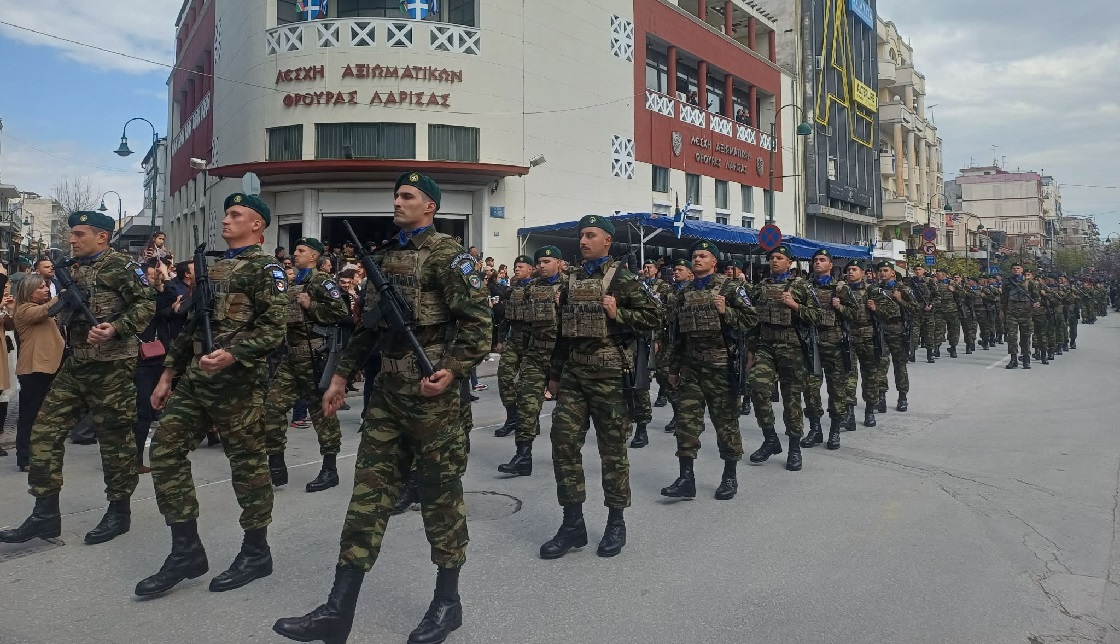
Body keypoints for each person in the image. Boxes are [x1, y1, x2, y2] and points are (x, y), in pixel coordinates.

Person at [273, 172, 490, 644]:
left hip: (434, 403)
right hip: (388, 396)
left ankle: (447, 603)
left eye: (407, 195)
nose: (397, 201)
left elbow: (479, 326)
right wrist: (339, 377)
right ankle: (337, 611)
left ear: (430, 206)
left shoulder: (449, 257)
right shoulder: (385, 259)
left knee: (441, 500)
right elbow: (367, 329)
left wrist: (452, 370)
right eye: (395, 195)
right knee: (367, 500)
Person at [136, 193, 287, 597]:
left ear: (256, 224)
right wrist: (168, 374)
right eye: (226, 213)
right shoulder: (214, 269)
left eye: (236, 214)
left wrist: (234, 354)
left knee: (248, 466)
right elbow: (191, 325)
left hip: (239, 385)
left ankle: (256, 551)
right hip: (196, 382)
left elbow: (275, 330)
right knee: (165, 449)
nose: (226, 220)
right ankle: (186, 550)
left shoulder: (267, 269)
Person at [0, 211, 154, 545]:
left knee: (115, 442)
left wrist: (115, 328)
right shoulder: (72, 269)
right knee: (44, 431)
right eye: (72, 234)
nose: (72, 240)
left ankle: (119, 512)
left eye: (80, 234)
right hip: (76, 363)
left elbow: (146, 305)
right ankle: (45, 514)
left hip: (112, 366)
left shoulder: (123, 267)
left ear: (102, 237)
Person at [538, 215, 660, 560]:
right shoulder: (571, 279)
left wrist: (619, 314)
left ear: (607, 240)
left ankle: (615, 522)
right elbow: (563, 330)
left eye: (591, 235)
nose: (583, 241)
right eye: (581, 235)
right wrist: (555, 374)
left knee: (612, 450)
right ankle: (572, 524)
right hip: (575, 374)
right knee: (563, 444)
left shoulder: (624, 278)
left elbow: (655, 317)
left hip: (610, 376)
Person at [660, 240, 755, 500]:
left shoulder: (730, 287)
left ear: (714, 261)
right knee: (686, 423)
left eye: (703, 255)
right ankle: (686, 478)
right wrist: (673, 367)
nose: (697, 259)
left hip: (721, 366)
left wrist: (727, 312)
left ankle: (729, 476)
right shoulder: (685, 292)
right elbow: (678, 335)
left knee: (725, 423)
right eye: (695, 256)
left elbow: (751, 319)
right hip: (691, 367)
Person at [262, 237, 348, 493]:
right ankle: (276, 463)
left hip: (314, 358)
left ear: (314, 256)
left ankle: (330, 469)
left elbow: (341, 313)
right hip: (290, 358)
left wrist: (312, 305)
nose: (295, 254)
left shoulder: (321, 282)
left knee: (322, 414)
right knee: (272, 407)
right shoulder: (291, 283)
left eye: (301, 250)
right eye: (295, 250)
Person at [746, 245, 821, 472]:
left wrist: (795, 306)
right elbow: (753, 321)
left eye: (779, 258)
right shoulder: (761, 287)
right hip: (766, 347)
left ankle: (794, 448)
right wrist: (750, 351)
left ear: (789, 263)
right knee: (757, 387)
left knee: (791, 399)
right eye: (772, 258)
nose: (774, 261)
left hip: (792, 348)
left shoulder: (801, 286)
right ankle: (770, 438)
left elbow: (818, 316)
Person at [497, 246, 564, 476]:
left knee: (567, 415)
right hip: (535, 355)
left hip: (562, 356)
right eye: (540, 262)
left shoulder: (570, 286)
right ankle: (523, 457)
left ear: (559, 263)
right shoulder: (530, 289)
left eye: (547, 261)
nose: (542, 266)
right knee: (526, 403)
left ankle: (566, 458)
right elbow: (521, 321)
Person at [800, 249, 857, 451]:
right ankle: (815, 429)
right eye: (815, 260)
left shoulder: (840, 288)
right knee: (810, 389)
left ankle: (834, 430)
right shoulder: (805, 287)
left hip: (834, 345)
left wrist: (840, 307)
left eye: (822, 260)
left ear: (830, 265)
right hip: (812, 345)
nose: (817, 263)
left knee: (836, 390)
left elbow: (855, 314)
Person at [12, 274, 64, 471]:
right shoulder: (25, 310)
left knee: (45, 414)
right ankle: (24, 457)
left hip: (48, 367)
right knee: (30, 414)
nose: (46, 289)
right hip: (34, 369)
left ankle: (40, 453)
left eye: (46, 286)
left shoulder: (39, 308)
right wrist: (63, 295)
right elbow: (46, 310)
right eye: (41, 287)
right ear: (29, 292)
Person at [845, 259, 898, 428]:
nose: (851, 272)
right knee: (848, 376)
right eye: (849, 269)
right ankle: (849, 413)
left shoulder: (872, 290)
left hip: (868, 338)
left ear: (862, 273)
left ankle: (869, 411)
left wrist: (876, 308)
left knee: (870, 377)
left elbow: (892, 311)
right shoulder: (842, 290)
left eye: (854, 269)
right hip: (848, 338)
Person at [493, 255, 535, 438]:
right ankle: (512, 418)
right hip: (514, 340)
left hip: (532, 342)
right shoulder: (511, 290)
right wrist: (500, 339)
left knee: (529, 385)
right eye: (515, 266)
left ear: (530, 269)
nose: (517, 269)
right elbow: (505, 317)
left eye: (520, 266)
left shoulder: (538, 288)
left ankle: (531, 420)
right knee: (504, 377)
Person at [633, 258, 671, 447]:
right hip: (629, 338)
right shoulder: (635, 285)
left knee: (643, 382)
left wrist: (657, 339)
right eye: (644, 267)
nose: (646, 269)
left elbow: (662, 314)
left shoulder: (663, 287)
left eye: (649, 267)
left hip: (649, 337)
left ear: (656, 270)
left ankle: (642, 427)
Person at [875, 262, 917, 412]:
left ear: (893, 272)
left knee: (900, 366)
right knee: (880, 366)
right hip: (881, 332)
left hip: (898, 333)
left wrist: (901, 300)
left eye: (886, 270)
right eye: (880, 270)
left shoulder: (903, 289)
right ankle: (881, 397)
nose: (883, 273)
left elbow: (915, 309)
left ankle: (902, 397)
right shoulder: (875, 289)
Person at [663, 258, 693, 433]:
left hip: (690, 340)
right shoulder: (670, 290)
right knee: (665, 375)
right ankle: (678, 413)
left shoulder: (695, 290)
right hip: (672, 338)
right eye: (675, 270)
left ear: (690, 273)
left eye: (680, 269)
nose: (676, 272)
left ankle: (687, 416)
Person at [1001, 263, 1041, 369]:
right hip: (1012, 312)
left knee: (1025, 336)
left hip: (1026, 312)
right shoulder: (1007, 282)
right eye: (1014, 268)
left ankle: (1026, 359)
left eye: (1018, 268)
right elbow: (1003, 298)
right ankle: (1013, 359)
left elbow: (1036, 296)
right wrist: (1001, 311)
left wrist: (1036, 304)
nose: (1016, 270)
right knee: (1011, 336)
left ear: (1022, 270)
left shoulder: (1030, 283)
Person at [931, 268, 960, 359]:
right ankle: (936, 349)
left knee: (953, 330)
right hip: (939, 310)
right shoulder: (935, 284)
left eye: (938, 274)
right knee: (938, 329)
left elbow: (962, 294)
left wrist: (954, 290)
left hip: (952, 311)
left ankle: (953, 348)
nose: (936, 275)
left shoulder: (953, 283)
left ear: (944, 274)